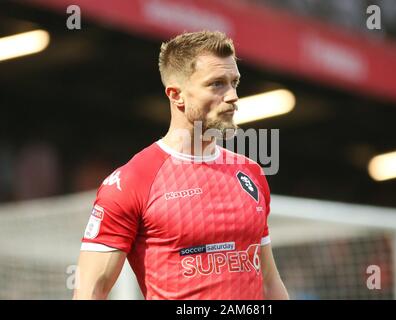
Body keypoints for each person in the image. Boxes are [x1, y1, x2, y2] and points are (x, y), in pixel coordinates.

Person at [73, 30, 289, 300]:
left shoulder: (251, 173)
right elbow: (91, 290)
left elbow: (269, 282)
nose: (233, 96)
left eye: (234, 82)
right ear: (176, 96)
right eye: (217, 84)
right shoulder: (132, 181)